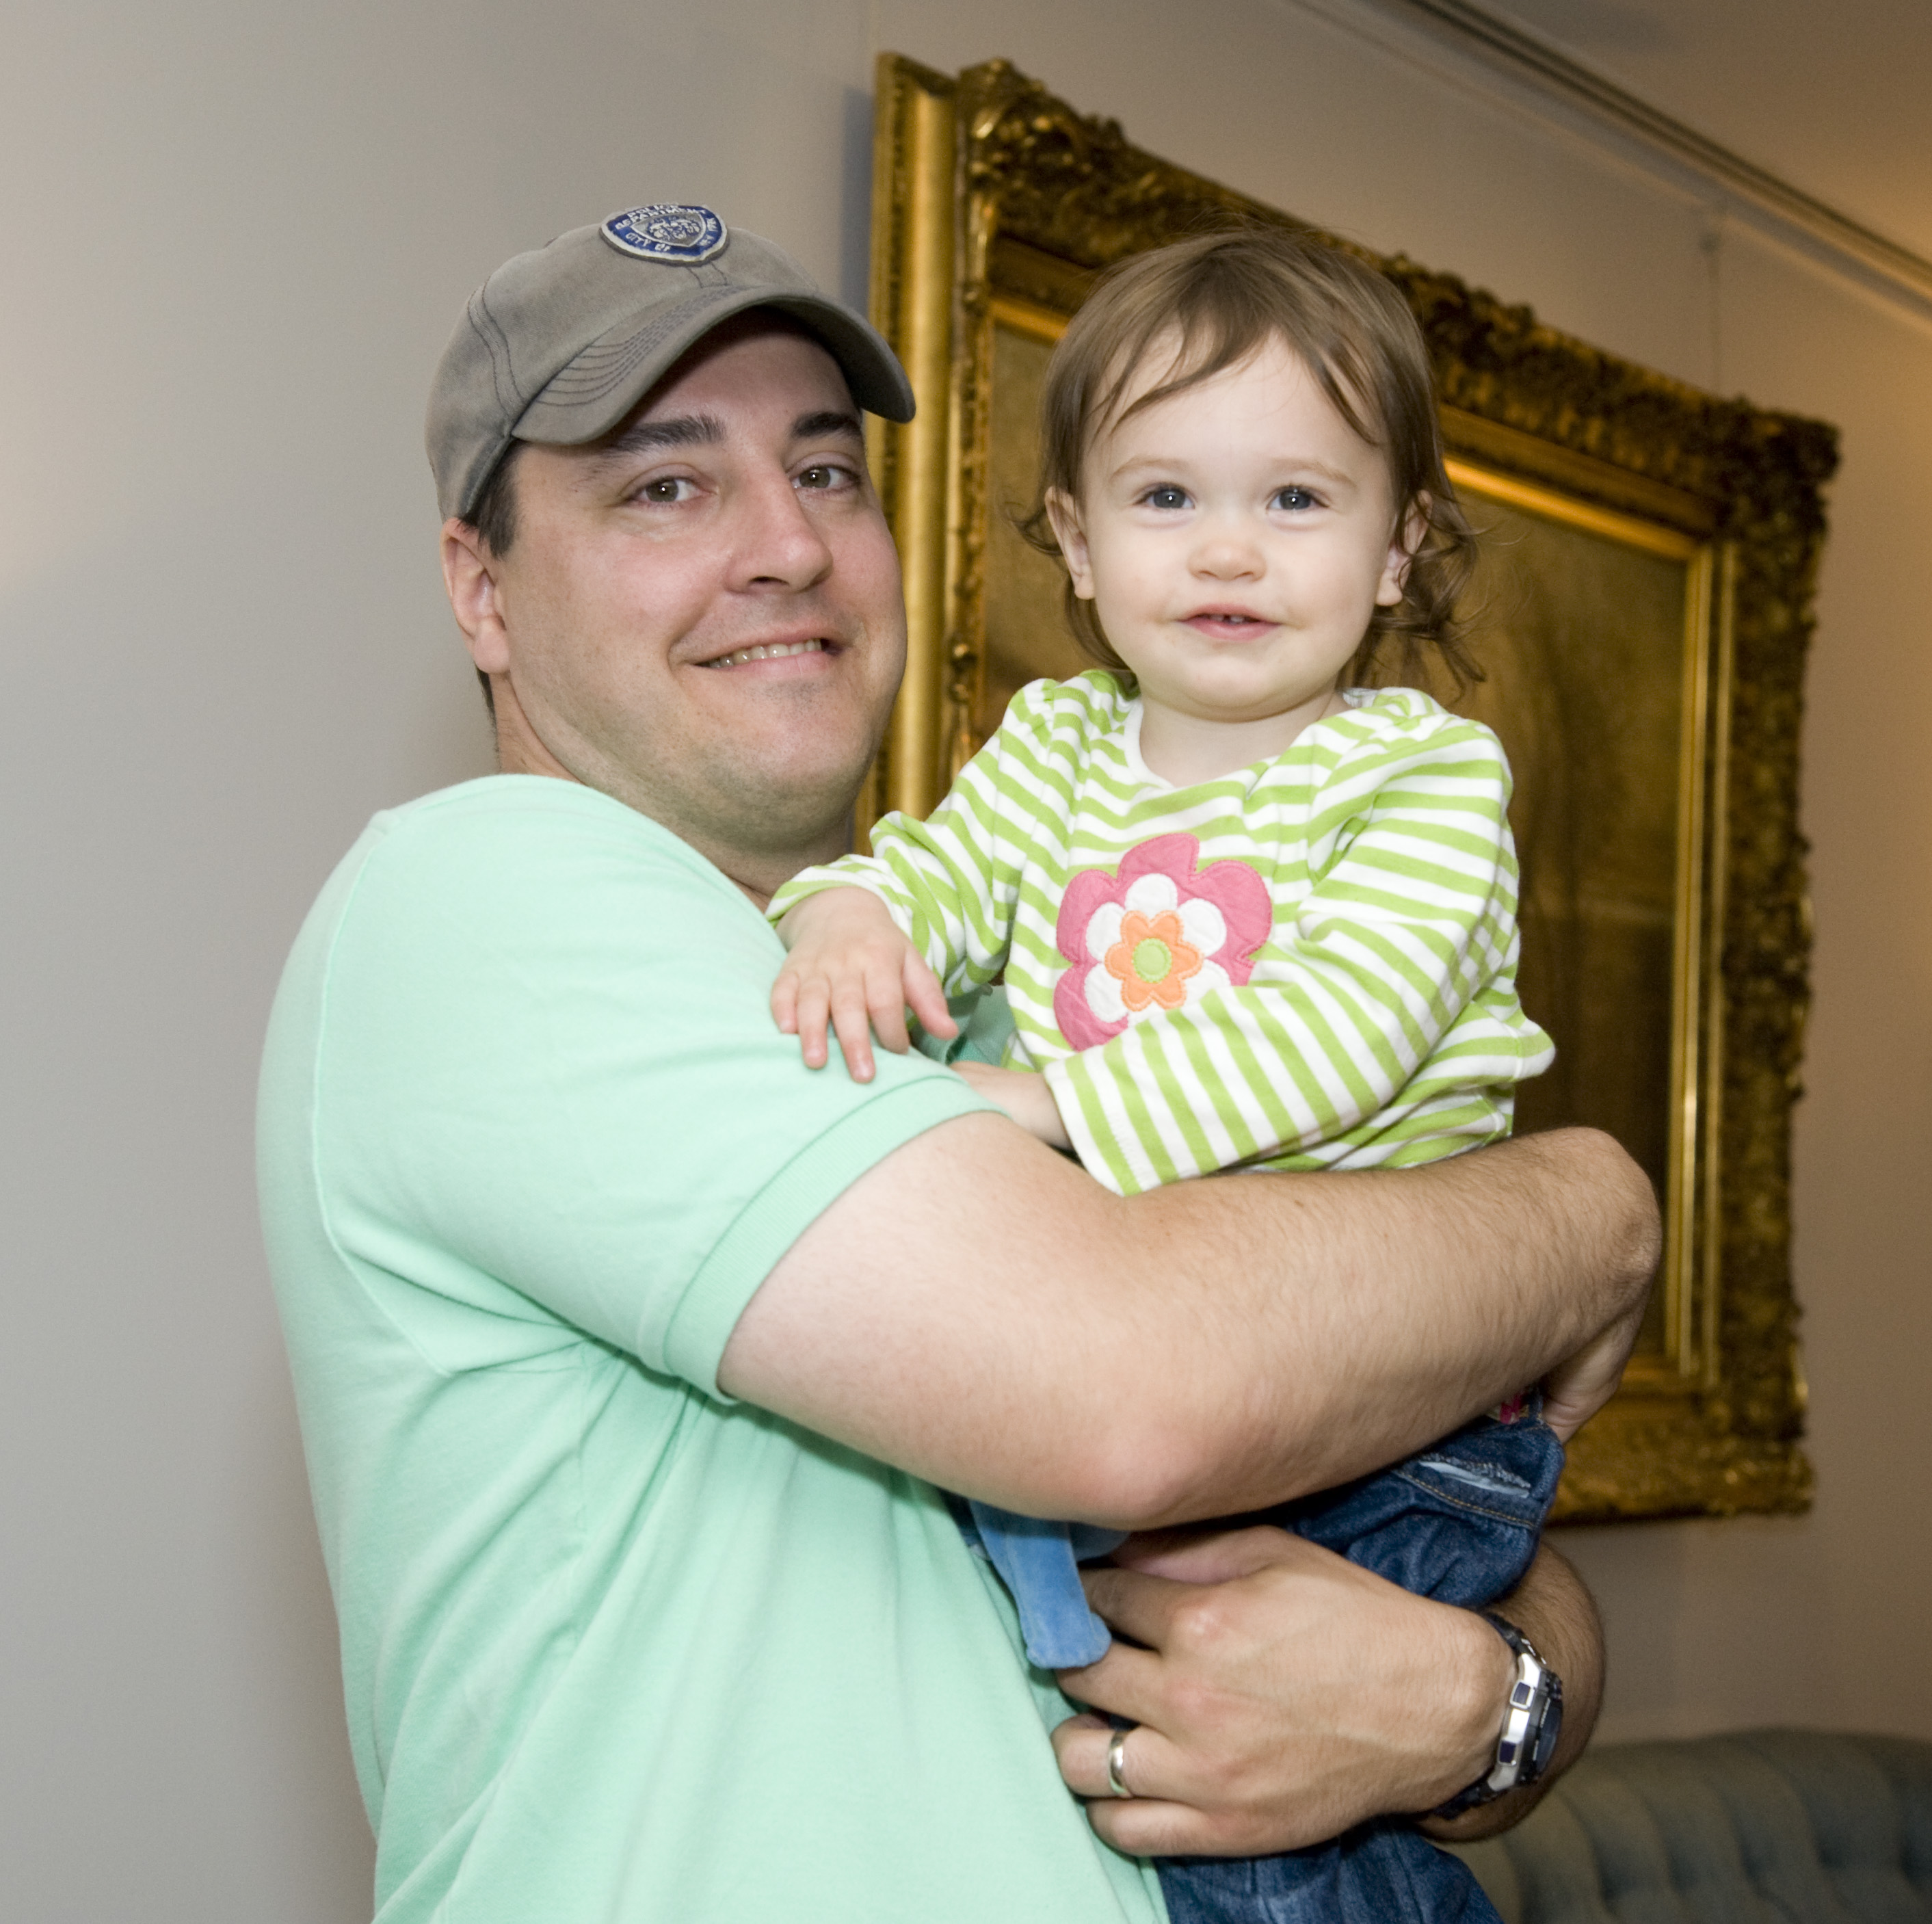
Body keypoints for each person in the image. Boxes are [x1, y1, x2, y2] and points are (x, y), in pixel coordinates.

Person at [257, 204, 1657, 1924]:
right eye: (666, 484)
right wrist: (1587, 1211)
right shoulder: (485, 900)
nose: (785, 545)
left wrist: (1479, 1699)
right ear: (481, 587)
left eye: (828, 472)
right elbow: (1141, 1397)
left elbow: (1489, 1556)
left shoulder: (1016, 989)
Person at [766, 226, 1564, 1924]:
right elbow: (935, 873)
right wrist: (843, 912)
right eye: (1165, 497)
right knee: (1107, 1801)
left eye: (1297, 501)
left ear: (1400, 546)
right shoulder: (1056, 748)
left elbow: (1347, 1032)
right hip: (1153, 1356)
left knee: (1268, 1850)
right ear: (1073, 532)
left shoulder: (1422, 774)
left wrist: (1048, 1108)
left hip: (1378, 1405)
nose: (1230, 552)